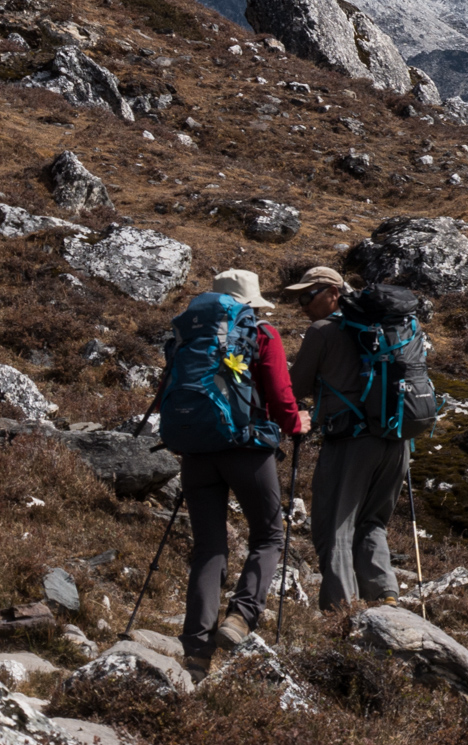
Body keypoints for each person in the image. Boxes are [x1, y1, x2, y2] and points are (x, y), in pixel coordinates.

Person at [168, 269, 306, 675]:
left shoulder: (188, 334)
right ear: (251, 303)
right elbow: (281, 398)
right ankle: (240, 617)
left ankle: (195, 651)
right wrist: (298, 424)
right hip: (247, 449)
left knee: (208, 547)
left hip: (196, 451)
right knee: (268, 534)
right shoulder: (261, 333)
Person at [289, 277, 423, 610]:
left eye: (308, 296)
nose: (302, 305)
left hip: (351, 440)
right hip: (396, 437)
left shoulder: (323, 331)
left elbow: (295, 387)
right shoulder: (397, 328)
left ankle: (342, 613)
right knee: (372, 521)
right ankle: (384, 595)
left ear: (334, 292)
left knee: (334, 527)